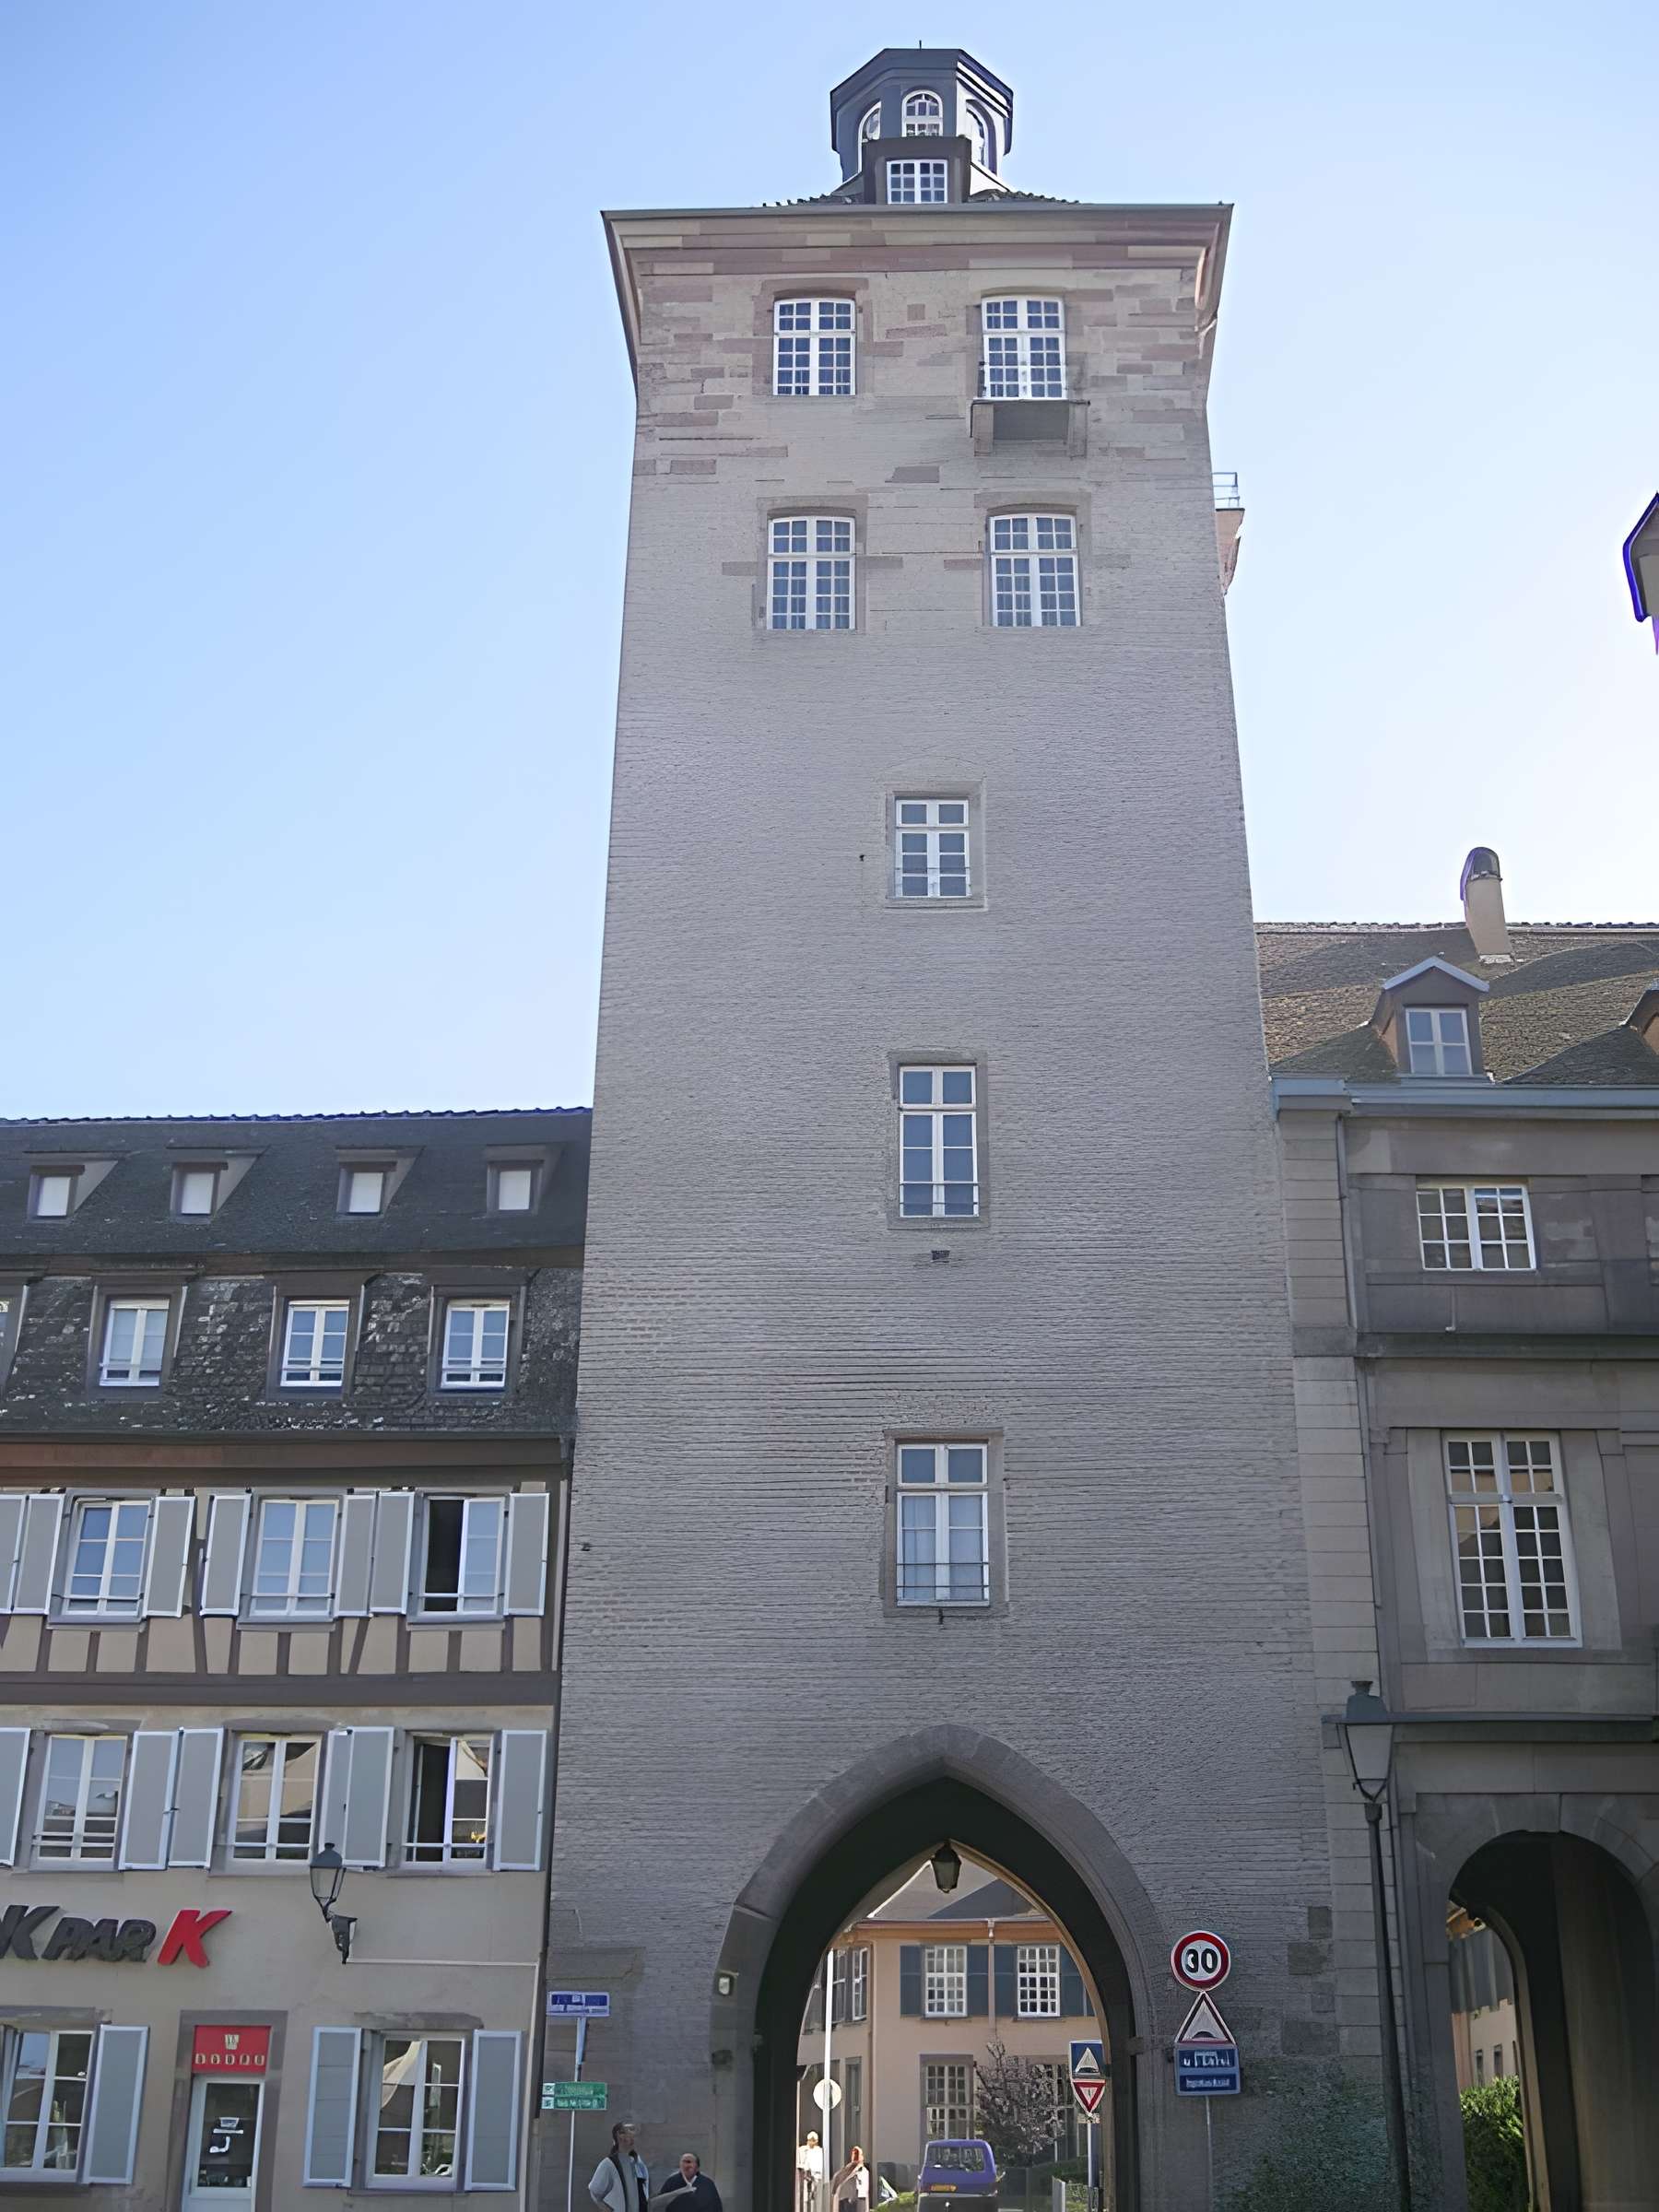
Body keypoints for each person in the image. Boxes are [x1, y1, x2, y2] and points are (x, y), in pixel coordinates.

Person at [590, 2122, 649, 2212]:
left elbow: (644, 2194)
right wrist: (608, 2210)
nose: (633, 2135)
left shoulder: (638, 2163)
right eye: (629, 2131)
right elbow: (595, 2191)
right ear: (619, 2136)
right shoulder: (608, 2164)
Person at [653, 2150, 723, 2212]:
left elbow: (717, 2207)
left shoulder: (708, 2184)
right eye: (683, 2162)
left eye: (689, 2162)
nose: (685, 2165)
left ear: (697, 2167)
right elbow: (660, 2204)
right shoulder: (671, 2181)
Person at [830, 2145, 869, 2212]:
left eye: (858, 2154)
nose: (856, 2156)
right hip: (844, 2201)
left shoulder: (864, 2172)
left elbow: (865, 2194)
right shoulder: (842, 2173)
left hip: (859, 2201)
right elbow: (835, 2191)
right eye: (854, 2154)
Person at [797, 2130, 825, 2212]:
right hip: (803, 2178)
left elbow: (818, 2167)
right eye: (810, 2140)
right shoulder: (802, 2150)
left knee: (812, 2200)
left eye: (814, 2141)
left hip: (814, 2178)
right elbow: (799, 2163)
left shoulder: (818, 2151)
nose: (812, 2142)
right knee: (804, 2199)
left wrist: (813, 2176)